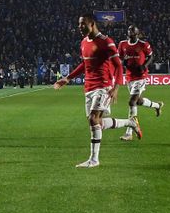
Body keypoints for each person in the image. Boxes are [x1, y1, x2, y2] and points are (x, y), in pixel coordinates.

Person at [54, 14, 142, 168]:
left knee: (93, 119)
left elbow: (119, 65)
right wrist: (67, 78)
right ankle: (130, 122)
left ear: (92, 23)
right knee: (97, 123)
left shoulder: (106, 42)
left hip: (104, 86)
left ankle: (94, 160)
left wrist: (116, 88)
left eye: (83, 24)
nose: (79, 27)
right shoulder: (83, 43)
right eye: (79, 24)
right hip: (89, 87)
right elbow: (85, 64)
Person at [118, 25, 164, 141]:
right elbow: (120, 59)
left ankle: (129, 132)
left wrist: (144, 66)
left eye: (133, 31)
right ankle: (157, 105)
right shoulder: (122, 44)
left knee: (132, 101)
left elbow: (151, 56)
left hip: (141, 77)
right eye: (129, 30)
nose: (130, 32)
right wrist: (122, 63)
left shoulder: (144, 45)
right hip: (129, 77)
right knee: (138, 101)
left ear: (137, 34)